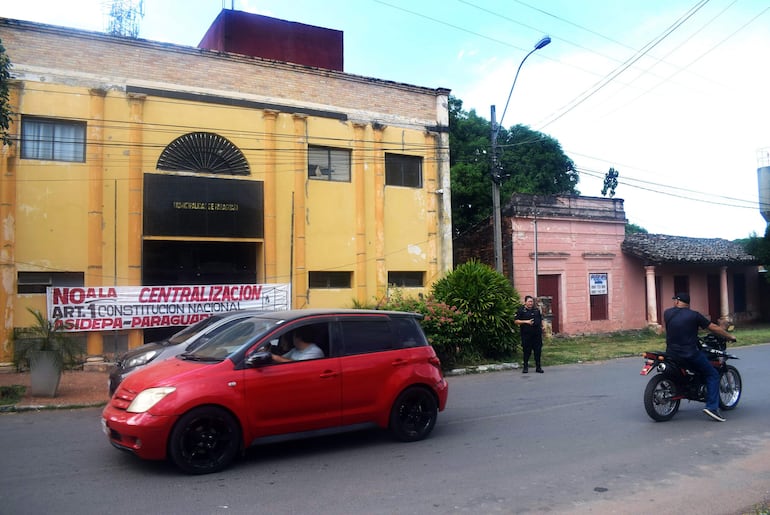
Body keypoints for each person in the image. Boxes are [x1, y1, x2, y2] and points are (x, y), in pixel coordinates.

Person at [664, 292, 736, 422]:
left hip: (671, 353)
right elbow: (713, 327)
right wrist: (730, 336)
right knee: (713, 374)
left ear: (676, 302)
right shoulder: (694, 315)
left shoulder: (667, 313)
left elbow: (679, 327)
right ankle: (712, 408)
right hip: (689, 354)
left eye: (674, 300)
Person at [514, 295, 544, 373]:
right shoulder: (521, 310)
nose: (531, 303)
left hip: (537, 335)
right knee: (527, 352)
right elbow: (516, 321)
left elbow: (541, 319)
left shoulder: (536, 310)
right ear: (525, 302)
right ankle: (525, 367)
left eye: (532, 301)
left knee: (538, 351)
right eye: (529, 301)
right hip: (526, 335)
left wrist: (542, 327)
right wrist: (526, 322)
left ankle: (538, 367)